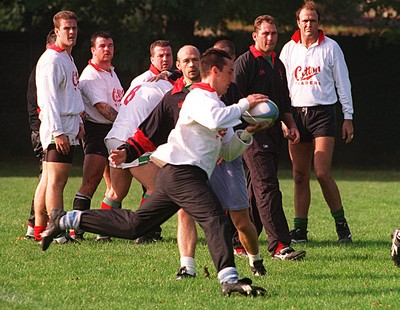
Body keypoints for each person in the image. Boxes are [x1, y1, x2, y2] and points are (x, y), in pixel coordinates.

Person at [41, 48, 268, 297]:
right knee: (215, 219)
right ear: (214, 72)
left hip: (177, 176)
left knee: (135, 225)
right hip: (184, 174)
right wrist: (246, 104)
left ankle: (65, 219)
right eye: (229, 72)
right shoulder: (200, 98)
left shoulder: (216, 103)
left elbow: (229, 151)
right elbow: (215, 120)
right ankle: (229, 280)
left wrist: (247, 133)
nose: (232, 78)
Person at [113, 43, 266, 279]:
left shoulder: (226, 89)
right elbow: (150, 131)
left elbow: (229, 136)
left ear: (203, 64)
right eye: (186, 61)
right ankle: (189, 267)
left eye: (195, 59)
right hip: (189, 169)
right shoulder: (174, 96)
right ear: (179, 66)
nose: (191, 64)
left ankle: (254, 260)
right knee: (190, 213)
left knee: (239, 219)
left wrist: (248, 131)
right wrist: (128, 151)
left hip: (222, 161)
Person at [280, 1, 354, 243]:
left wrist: (348, 117)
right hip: (295, 116)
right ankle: (300, 230)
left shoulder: (331, 48)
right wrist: (283, 117)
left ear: (318, 22)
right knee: (300, 175)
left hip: (323, 114)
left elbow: (343, 84)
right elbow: (281, 86)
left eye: (313, 20)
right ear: (298, 23)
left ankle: (341, 225)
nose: (309, 24)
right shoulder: (289, 48)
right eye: (304, 20)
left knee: (322, 172)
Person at [234, 15, 306, 260]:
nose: (270, 38)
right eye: (265, 33)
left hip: (274, 134)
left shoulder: (278, 63)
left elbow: (284, 100)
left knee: (256, 190)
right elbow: (232, 100)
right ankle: (279, 245)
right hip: (252, 136)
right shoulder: (245, 63)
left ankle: (239, 242)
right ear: (255, 36)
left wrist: (291, 124)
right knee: (268, 188)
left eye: (274, 33)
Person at [97, 40, 174, 243]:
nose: (165, 59)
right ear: (152, 59)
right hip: (129, 141)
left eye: (168, 55)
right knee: (158, 188)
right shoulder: (166, 86)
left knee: (116, 191)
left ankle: (103, 232)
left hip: (114, 137)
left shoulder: (139, 79)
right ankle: (143, 231)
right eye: (161, 56)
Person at [34, 10, 84, 242]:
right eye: (67, 28)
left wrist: (79, 122)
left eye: (74, 28)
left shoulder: (67, 57)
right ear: (56, 31)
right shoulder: (51, 60)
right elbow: (48, 100)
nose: (72, 32)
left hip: (69, 125)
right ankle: (58, 232)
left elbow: (70, 94)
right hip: (59, 127)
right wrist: (58, 131)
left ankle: (41, 230)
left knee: (51, 179)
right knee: (57, 180)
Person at [70, 31, 124, 240]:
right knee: (90, 181)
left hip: (112, 130)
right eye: (102, 46)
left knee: (114, 185)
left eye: (110, 45)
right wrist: (125, 123)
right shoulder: (91, 75)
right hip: (96, 131)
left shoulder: (110, 71)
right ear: (93, 50)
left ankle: (104, 231)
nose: (107, 49)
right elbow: (102, 107)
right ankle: (76, 229)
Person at [25, 30, 57, 240]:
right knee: (47, 178)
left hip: (44, 128)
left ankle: (34, 227)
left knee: (46, 178)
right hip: (43, 130)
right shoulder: (46, 66)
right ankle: (36, 227)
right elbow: (44, 105)